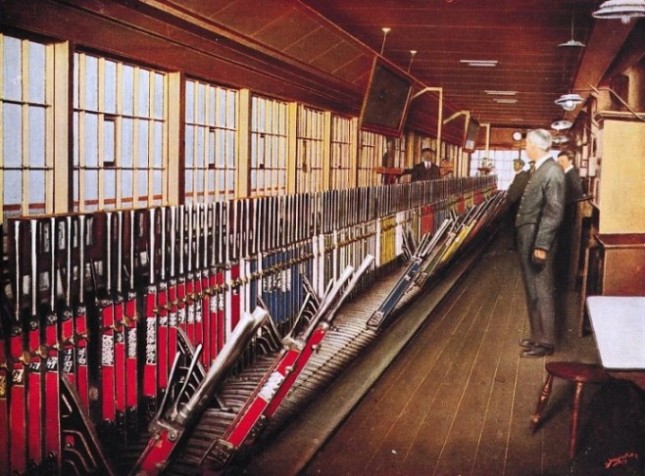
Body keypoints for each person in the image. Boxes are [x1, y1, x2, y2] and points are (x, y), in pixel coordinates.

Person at [515, 129, 565, 358]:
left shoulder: (552, 171)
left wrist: (542, 245)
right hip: (529, 235)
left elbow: (553, 212)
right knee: (532, 288)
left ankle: (547, 342)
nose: (525, 148)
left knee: (542, 289)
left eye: (527, 144)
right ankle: (537, 335)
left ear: (535, 145)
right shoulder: (541, 169)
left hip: (538, 237)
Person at [556, 150, 584, 289]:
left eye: (562, 161)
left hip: (569, 217)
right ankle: (561, 278)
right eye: (559, 161)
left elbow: (576, 195)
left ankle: (563, 281)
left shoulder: (571, 175)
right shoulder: (567, 174)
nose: (559, 163)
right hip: (566, 215)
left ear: (570, 161)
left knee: (565, 248)